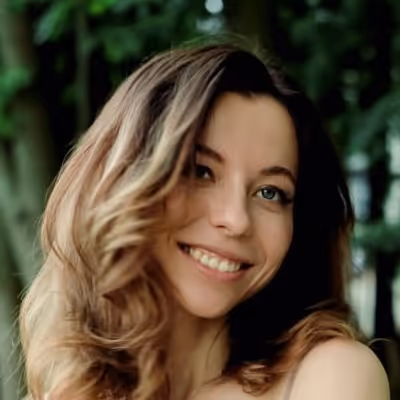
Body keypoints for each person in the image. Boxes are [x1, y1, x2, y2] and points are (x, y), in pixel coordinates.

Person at [20, 42, 389, 400]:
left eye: (270, 192)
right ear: (126, 180)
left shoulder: (332, 373)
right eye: (201, 171)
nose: (236, 220)